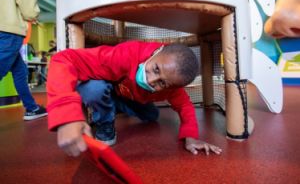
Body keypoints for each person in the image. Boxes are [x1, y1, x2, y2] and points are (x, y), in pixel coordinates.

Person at [47, 41, 222, 157]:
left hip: (133, 99)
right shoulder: (126, 54)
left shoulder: (174, 88)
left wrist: (191, 136)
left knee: (151, 116)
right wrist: (66, 115)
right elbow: (63, 59)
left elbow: (185, 107)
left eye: (162, 83)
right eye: (155, 68)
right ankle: (105, 122)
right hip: (110, 88)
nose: (151, 81)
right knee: (93, 89)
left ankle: (115, 106)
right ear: (157, 51)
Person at [0, 0, 47, 120]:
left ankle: (32, 108)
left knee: (20, 71)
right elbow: (30, 12)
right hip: (9, 31)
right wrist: (34, 15)